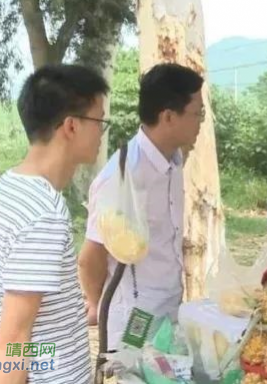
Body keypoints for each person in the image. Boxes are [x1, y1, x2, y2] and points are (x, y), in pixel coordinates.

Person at [0, 64, 110, 384]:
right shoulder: (43, 214)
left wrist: (61, 328)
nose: (102, 132)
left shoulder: (4, 190)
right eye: (100, 121)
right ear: (71, 126)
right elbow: (13, 343)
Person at [78, 63, 204, 349]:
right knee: (134, 371)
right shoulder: (122, 177)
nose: (201, 122)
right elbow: (90, 257)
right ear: (168, 116)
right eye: (197, 114)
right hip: (136, 320)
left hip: (170, 309)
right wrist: (97, 305)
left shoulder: (175, 160)